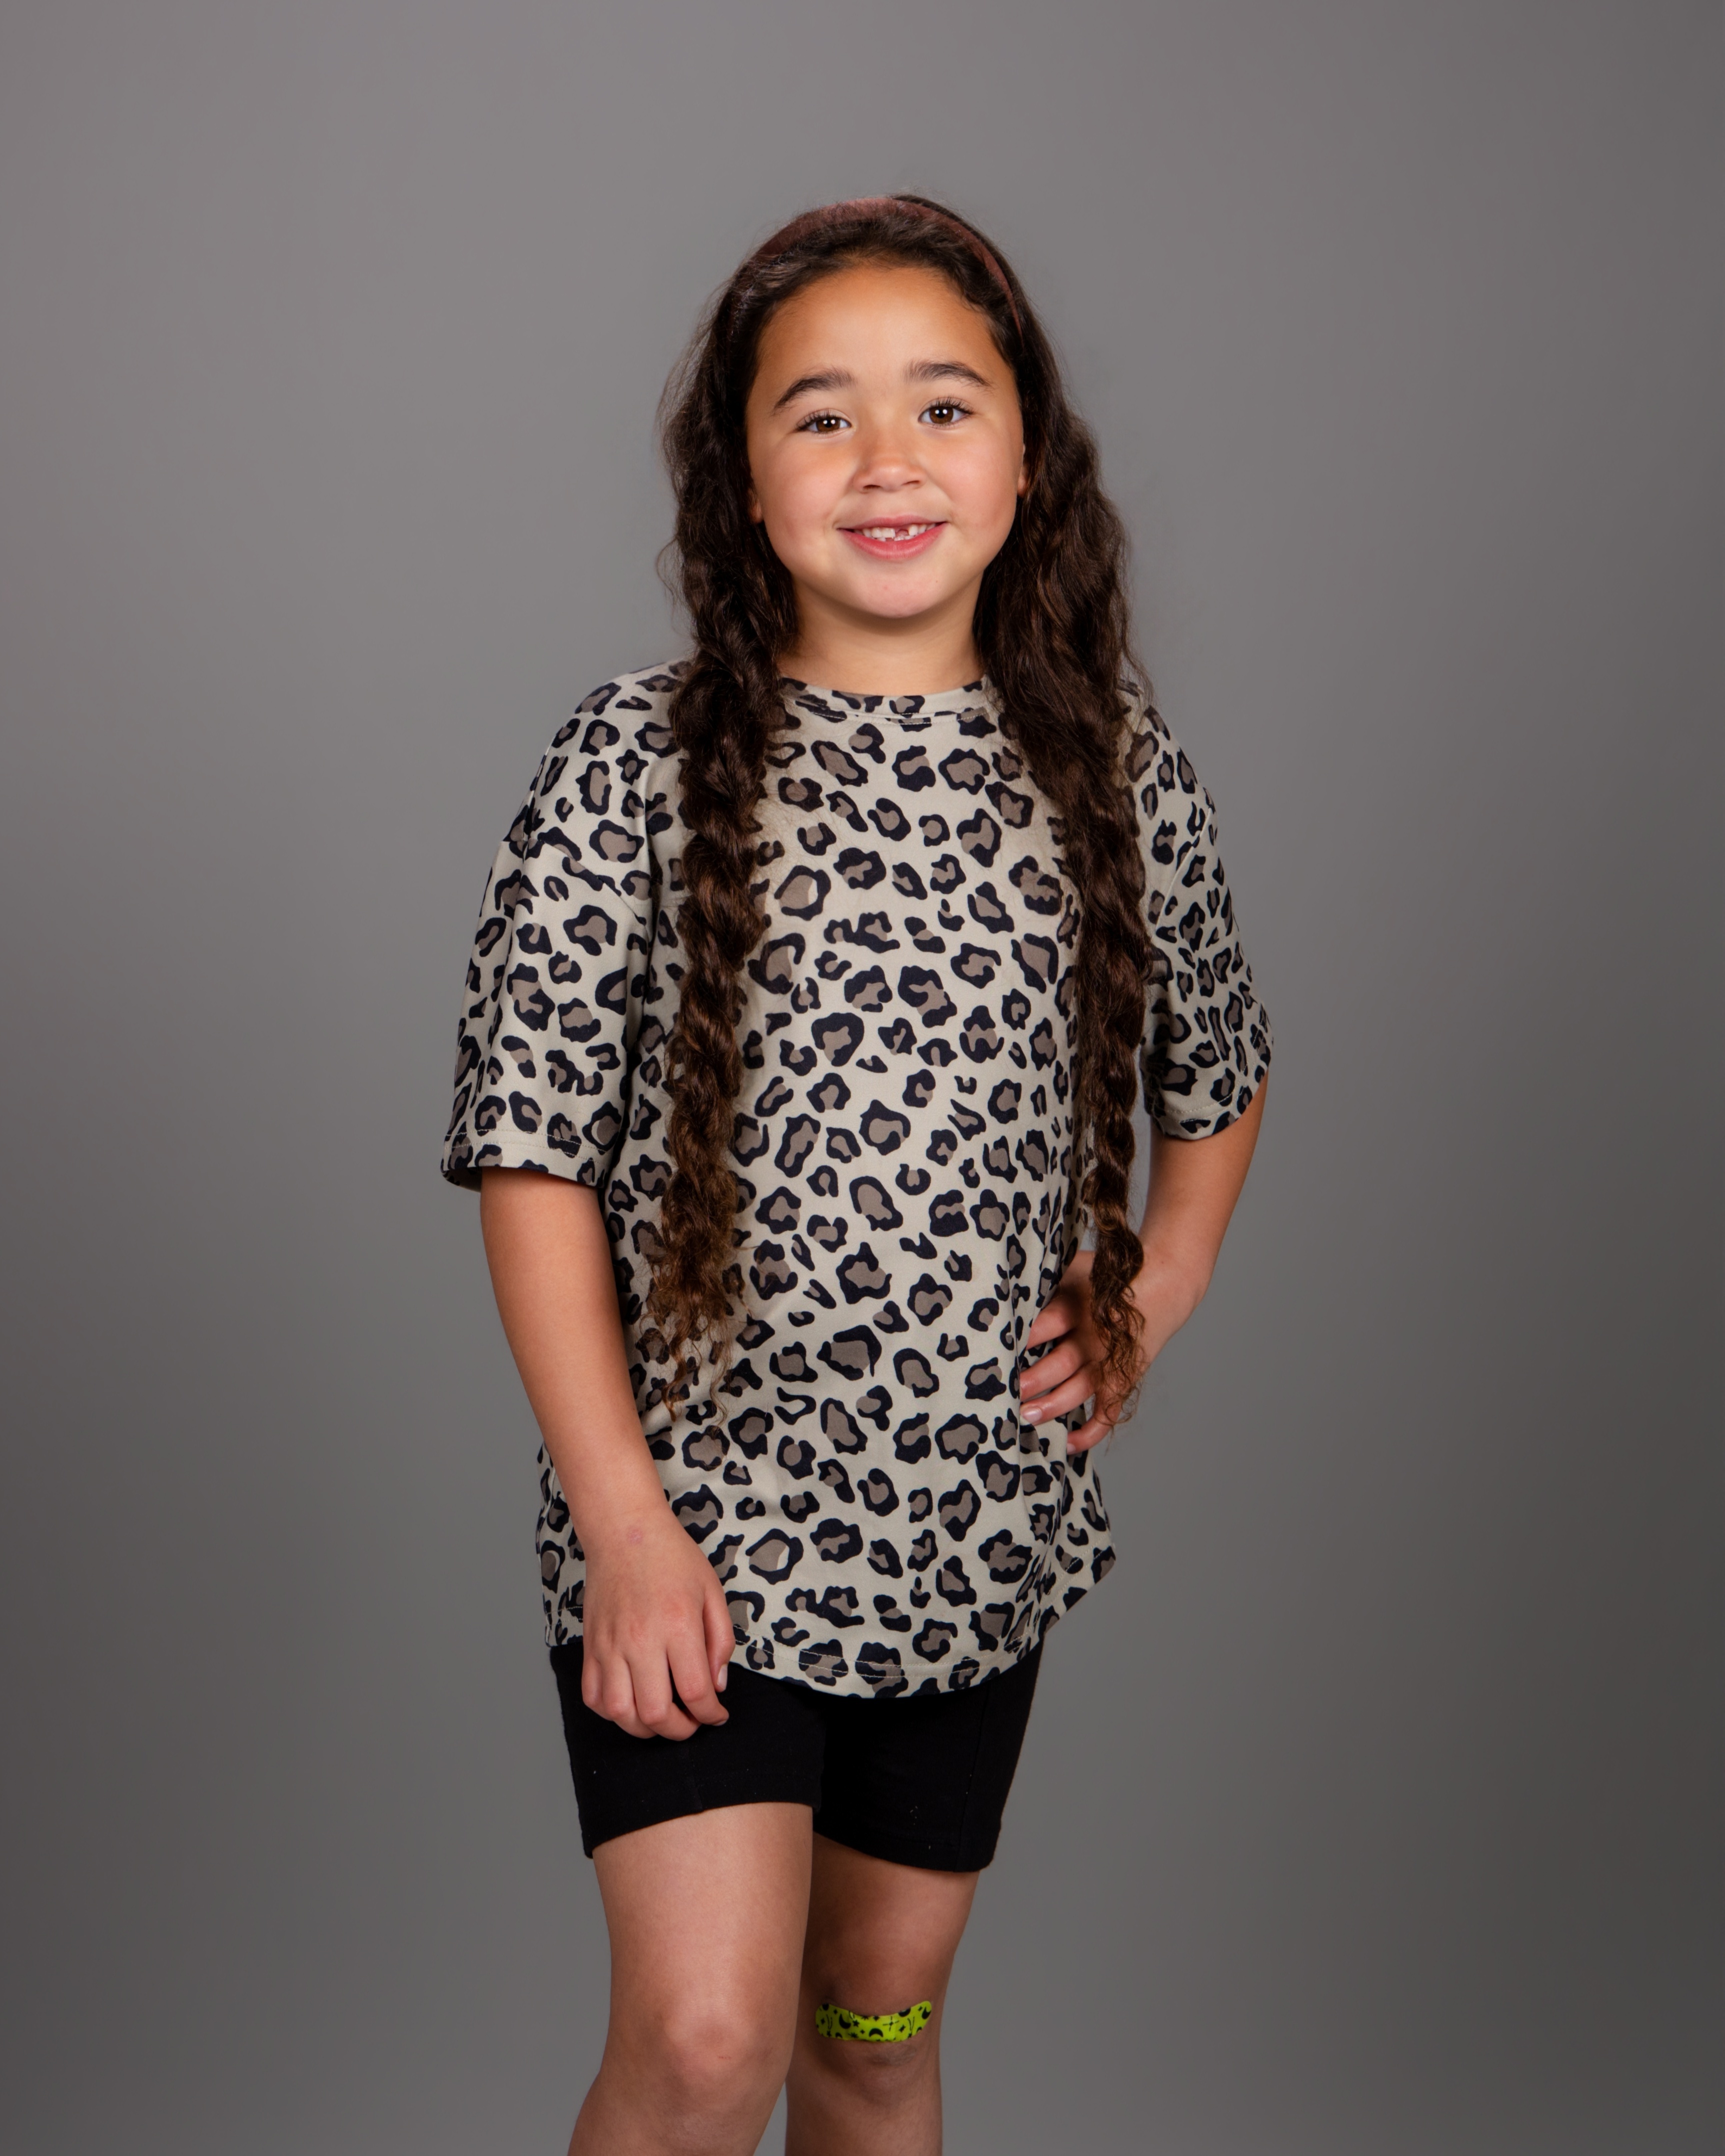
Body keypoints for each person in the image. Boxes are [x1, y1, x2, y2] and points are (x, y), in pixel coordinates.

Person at [443, 194, 1272, 2156]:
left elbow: (1218, 1076)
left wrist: (1153, 1287)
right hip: (694, 1525)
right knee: (706, 2038)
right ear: (742, 484)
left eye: (941, 406)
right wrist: (620, 1518)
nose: (886, 459)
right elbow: (528, 1152)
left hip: (970, 1534)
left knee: (871, 2035)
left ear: (1024, 460)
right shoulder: (631, 765)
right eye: (819, 415)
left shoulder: (1111, 768)